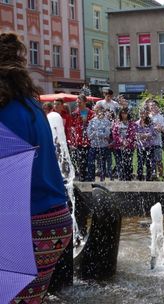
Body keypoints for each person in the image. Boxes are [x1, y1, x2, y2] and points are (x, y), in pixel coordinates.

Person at [0, 32, 72, 303]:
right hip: (53, 220)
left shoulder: (6, 114)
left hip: (31, 223)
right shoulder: (29, 106)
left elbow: (8, 186)